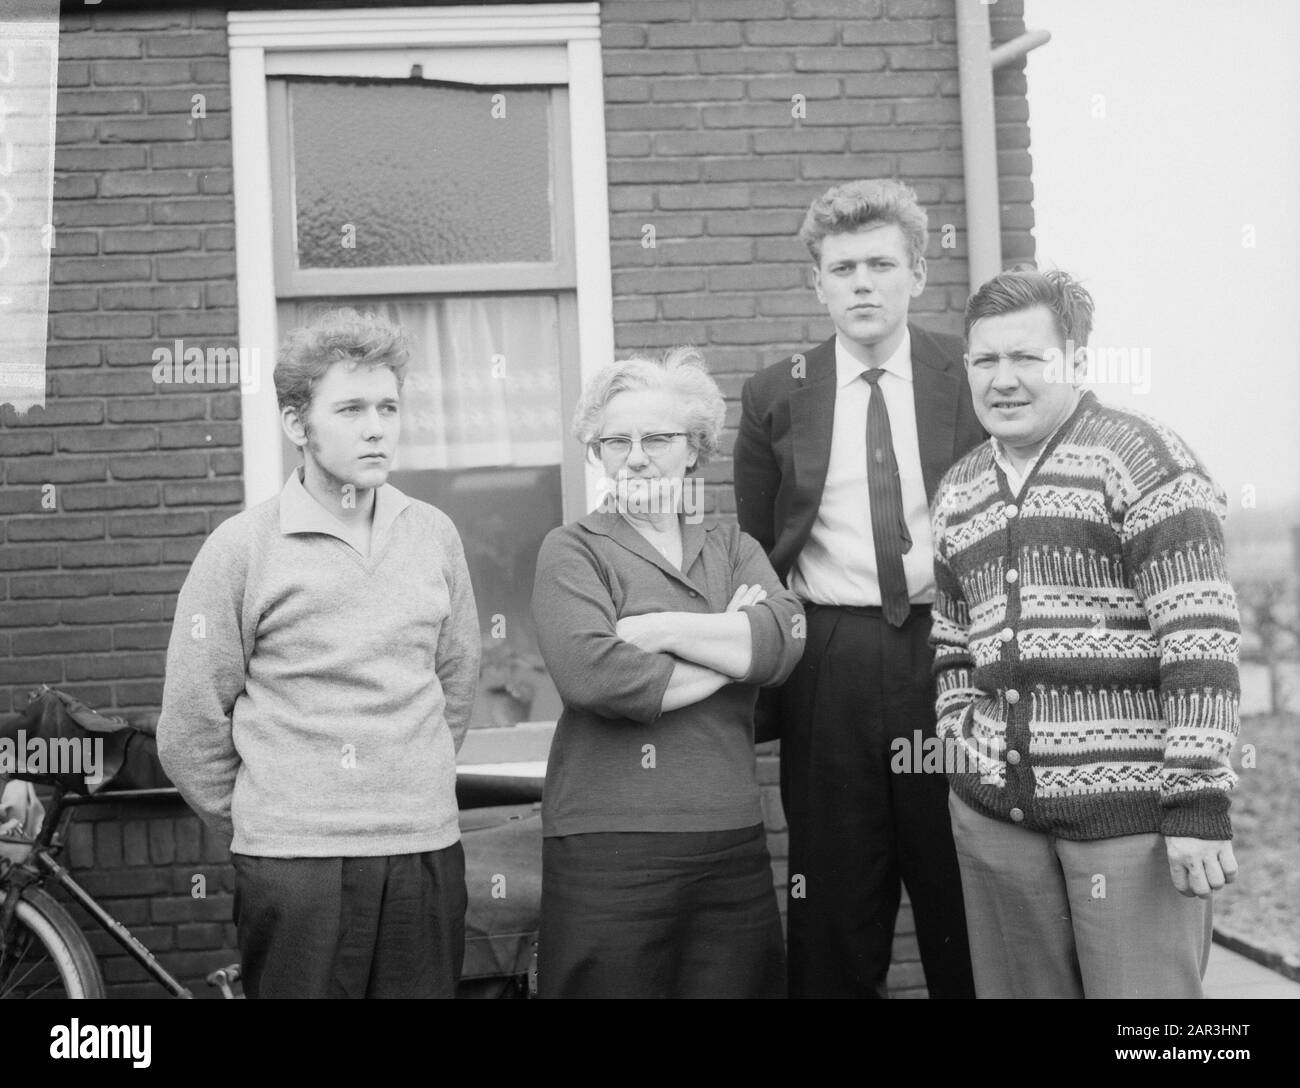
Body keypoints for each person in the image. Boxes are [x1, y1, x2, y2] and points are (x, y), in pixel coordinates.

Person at [931, 268, 1241, 998]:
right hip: (996, 821)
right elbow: (950, 641)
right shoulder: (960, 489)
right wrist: (956, 741)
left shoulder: (1143, 457)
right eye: (985, 360)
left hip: (1132, 820)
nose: (1003, 380)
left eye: (1026, 358)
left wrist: (1197, 800)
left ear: (1073, 360)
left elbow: (1199, 634)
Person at [157, 309, 480, 999]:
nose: (376, 426)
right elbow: (191, 722)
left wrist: (405, 783)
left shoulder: (433, 534)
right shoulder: (242, 548)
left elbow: (456, 682)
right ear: (298, 425)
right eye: (352, 408)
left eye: (388, 406)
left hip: (424, 848)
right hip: (294, 864)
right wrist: (267, 814)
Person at [734, 178, 982, 999]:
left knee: (961, 893)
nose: (862, 284)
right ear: (818, 284)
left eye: (881, 264)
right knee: (834, 902)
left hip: (950, 654)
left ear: (917, 272)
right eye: (843, 269)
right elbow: (760, 545)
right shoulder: (776, 393)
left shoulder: (971, 375)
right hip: (830, 660)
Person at [532, 346, 805, 999]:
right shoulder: (572, 549)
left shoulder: (733, 548)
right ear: (595, 454)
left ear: (694, 449)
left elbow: (785, 642)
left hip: (728, 836)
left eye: (656, 438)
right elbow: (597, 676)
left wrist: (663, 632)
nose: (635, 455)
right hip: (608, 842)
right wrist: (730, 649)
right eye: (614, 441)